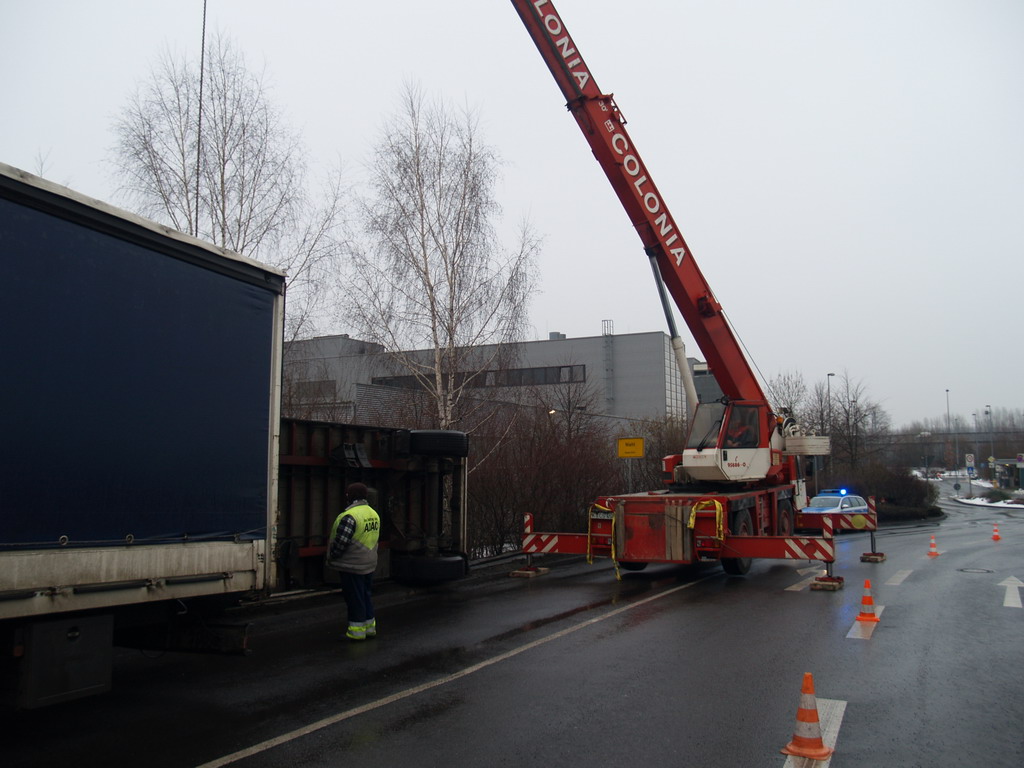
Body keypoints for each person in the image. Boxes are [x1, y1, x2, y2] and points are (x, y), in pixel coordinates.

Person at [326, 482, 381, 641]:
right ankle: (369, 629)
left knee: (354, 598)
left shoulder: (350, 516)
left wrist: (333, 556)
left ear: (350, 496)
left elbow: (341, 542)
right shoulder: (373, 513)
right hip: (368, 564)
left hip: (352, 565)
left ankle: (356, 633)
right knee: (365, 596)